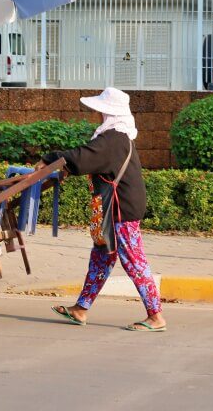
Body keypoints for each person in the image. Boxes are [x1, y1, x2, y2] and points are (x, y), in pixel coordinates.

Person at [37, 87, 166, 332]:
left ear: (109, 113)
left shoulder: (114, 139)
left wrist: (51, 158)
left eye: (100, 111)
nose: (97, 115)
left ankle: (156, 316)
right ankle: (80, 309)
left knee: (134, 261)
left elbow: (83, 157)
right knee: (101, 259)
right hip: (114, 208)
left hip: (121, 209)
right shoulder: (115, 137)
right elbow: (89, 159)